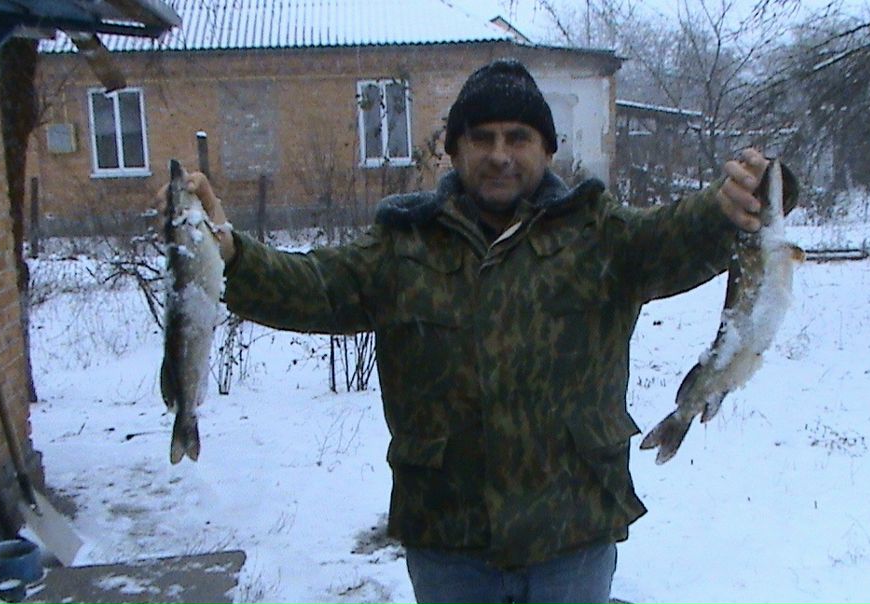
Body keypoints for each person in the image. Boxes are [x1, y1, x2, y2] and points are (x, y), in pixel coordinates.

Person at [181, 59, 797, 604]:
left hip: (573, 534)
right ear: (454, 151)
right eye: (482, 138)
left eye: (518, 137)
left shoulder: (601, 237)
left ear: (547, 149)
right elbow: (311, 286)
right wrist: (229, 257)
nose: (500, 154)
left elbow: (685, 234)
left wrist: (749, 196)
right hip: (449, 542)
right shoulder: (402, 246)